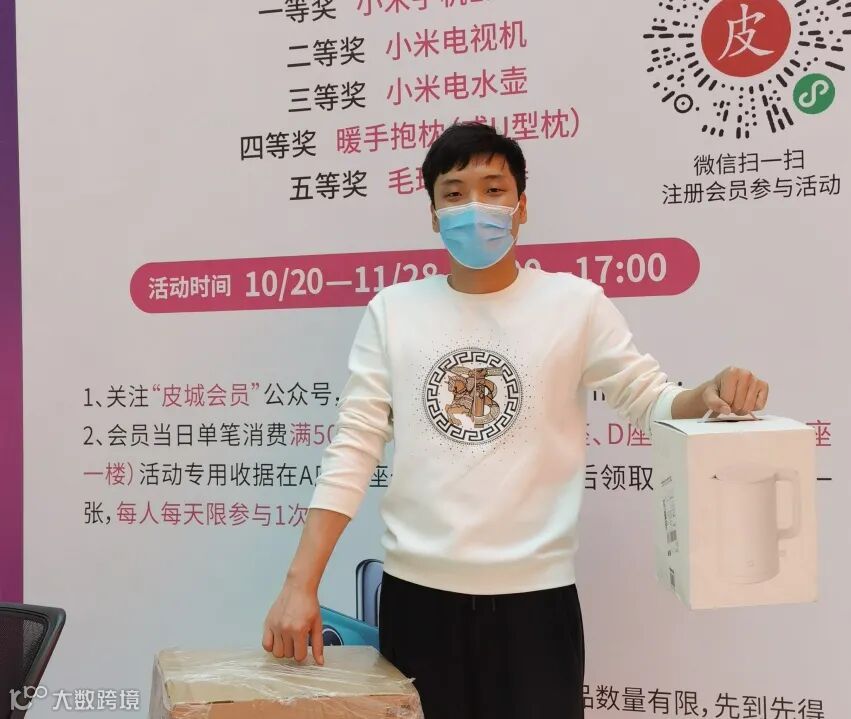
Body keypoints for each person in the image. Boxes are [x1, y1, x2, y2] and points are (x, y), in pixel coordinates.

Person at [262, 122, 769, 718]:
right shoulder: (393, 312)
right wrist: (300, 583)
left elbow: (648, 398)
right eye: (454, 194)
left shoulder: (574, 305)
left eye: (493, 189)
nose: (474, 207)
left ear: (521, 206)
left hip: (537, 606)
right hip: (418, 602)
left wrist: (708, 394)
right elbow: (354, 446)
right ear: (433, 215)